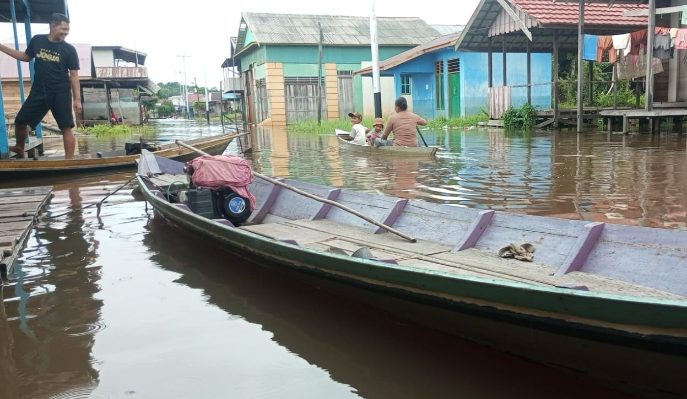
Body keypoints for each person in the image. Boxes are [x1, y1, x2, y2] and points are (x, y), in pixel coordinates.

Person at [0, 13, 81, 159]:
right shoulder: (37, 40)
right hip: (39, 91)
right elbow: (25, 57)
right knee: (20, 121)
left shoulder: (69, 50)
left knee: (66, 127)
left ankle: (69, 160)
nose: (66, 33)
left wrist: (77, 99)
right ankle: (19, 147)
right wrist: (1, 47)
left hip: (60, 92)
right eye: (63, 29)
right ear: (53, 26)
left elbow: (74, 75)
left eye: (68, 30)